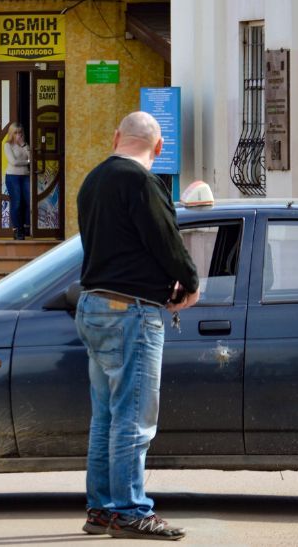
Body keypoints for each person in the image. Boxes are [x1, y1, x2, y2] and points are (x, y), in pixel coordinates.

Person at [73, 111, 200, 541]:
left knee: (106, 415)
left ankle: (102, 509)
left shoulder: (93, 180)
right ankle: (129, 510)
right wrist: (191, 281)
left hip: (94, 305)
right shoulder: (142, 182)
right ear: (159, 147)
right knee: (134, 418)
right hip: (132, 311)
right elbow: (166, 240)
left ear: (115, 137)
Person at [3, 123, 31, 240]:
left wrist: (24, 145)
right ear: (11, 133)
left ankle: (26, 226)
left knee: (29, 201)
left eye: (20, 132)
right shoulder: (8, 145)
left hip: (25, 176)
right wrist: (27, 162)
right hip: (12, 176)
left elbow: (31, 157)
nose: (18, 135)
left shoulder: (25, 145)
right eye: (16, 133)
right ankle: (17, 229)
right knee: (17, 202)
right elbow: (13, 162)